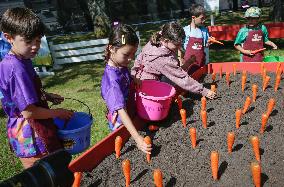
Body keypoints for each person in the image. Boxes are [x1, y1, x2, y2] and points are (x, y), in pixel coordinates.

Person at [0, 7, 74, 169]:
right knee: (44, 174)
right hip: (31, 135)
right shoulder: (15, 68)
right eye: (28, 41)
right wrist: (58, 113)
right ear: (9, 37)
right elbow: (28, 111)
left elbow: (20, 94)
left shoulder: (22, 59)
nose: (35, 47)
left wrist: (45, 95)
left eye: (38, 40)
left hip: (35, 127)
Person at [101, 24, 152, 154]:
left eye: (133, 54)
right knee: (122, 145)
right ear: (112, 48)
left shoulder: (120, 64)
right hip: (121, 122)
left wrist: (133, 78)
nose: (130, 59)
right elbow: (120, 110)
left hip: (131, 111)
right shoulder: (112, 82)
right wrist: (137, 138)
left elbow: (124, 73)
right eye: (126, 54)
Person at [131, 22, 216, 100]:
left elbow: (139, 59)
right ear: (166, 41)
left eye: (181, 44)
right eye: (177, 45)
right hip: (149, 86)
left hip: (140, 79)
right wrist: (204, 91)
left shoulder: (158, 39)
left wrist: (134, 73)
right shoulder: (162, 59)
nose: (179, 47)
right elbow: (181, 78)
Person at [182, 4, 211, 75]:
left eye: (205, 18)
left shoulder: (204, 31)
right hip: (188, 65)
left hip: (201, 63)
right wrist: (180, 60)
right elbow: (179, 48)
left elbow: (205, 46)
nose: (204, 20)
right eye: (202, 18)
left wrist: (208, 43)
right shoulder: (185, 31)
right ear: (193, 17)